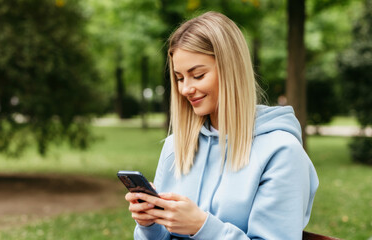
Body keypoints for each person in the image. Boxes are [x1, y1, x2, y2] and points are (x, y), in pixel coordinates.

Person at [124, 11, 318, 240]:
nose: (185, 89)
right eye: (179, 78)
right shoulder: (176, 146)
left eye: (197, 75)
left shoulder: (281, 152)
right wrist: (149, 225)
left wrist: (201, 227)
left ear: (231, 70)